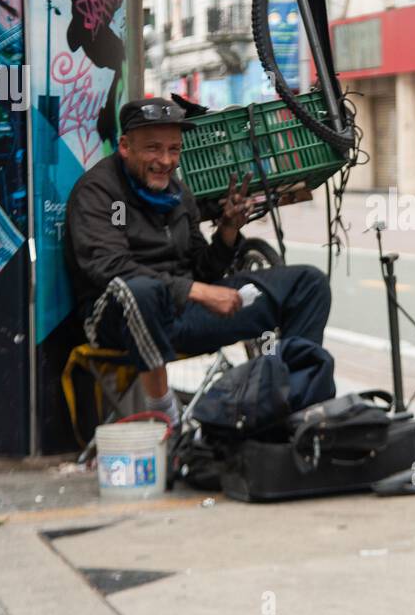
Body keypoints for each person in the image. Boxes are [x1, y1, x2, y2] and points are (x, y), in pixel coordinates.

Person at [64, 97, 331, 427]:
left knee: (309, 283)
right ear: (124, 146)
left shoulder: (178, 194)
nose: (165, 160)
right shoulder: (99, 191)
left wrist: (228, 232)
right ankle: (166, 415)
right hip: (119, 320)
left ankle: (289, 400)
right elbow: (109, 267)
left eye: (173, 150)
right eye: (153, 149)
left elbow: (203, 269)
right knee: (140, 290)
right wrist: (199, 292)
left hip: (184, 316)